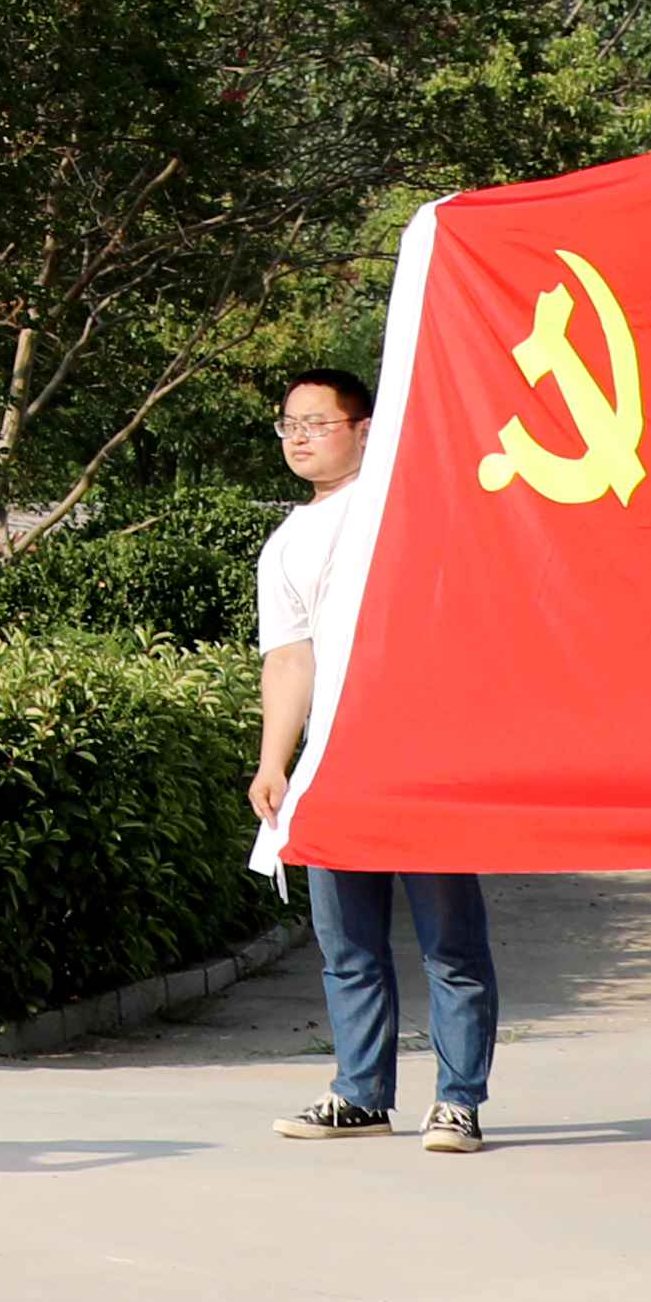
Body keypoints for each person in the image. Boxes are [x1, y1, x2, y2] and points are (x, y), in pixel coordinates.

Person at [246, 359, 493, 1154]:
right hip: (336, 764)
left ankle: (457, 1101)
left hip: (423, 760)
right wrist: (275, 762)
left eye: (317, 423)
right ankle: (360, 1093)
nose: (300, 438)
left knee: (450, 943)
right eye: (289, 425)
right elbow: (291, 659)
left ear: (365, 430)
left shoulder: (406, 505)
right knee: (346, 943)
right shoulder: (286, 543)